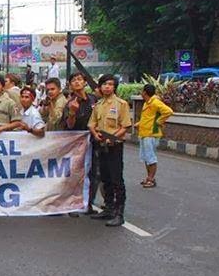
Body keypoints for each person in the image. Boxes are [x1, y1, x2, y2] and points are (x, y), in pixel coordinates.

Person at [88, 74, 132, 227]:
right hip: (101, 144)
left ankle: (119, 213)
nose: (107, 87)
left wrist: (112, 137)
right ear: (100, 87)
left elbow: (125, 126)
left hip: (114, 146)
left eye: (111, 84)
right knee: (105, 178)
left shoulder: (121, 104)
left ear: (114, 87)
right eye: (105, 84)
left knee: (116, 179)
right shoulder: (98, 105)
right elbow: (92, 124)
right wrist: (96, 135)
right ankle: (108, 208)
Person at [61, 71, 101, 214]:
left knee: (94, 173)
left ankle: (88, 203)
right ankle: (73, 204)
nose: (77, 82)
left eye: (80, 79)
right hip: (77, 143)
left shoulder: (93, 99)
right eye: (74, 80)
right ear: (70, 85)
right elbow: (69, 125)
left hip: (94, 141)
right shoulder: (70, 103)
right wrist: (72, 112)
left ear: (85, 82)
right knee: (75, 173)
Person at [137, 83, 174, 188]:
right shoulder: (147, 103)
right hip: (144, 133)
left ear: (145, 92)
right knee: (145, 157)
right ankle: (148, 177)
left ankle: (152, 179)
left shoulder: (155, 102)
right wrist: (139, 124)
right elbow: (148, 118)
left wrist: (159, 122)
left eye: (142, 91)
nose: (141, 92)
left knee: (151, 157)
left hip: (151, 134)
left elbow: (168, 111)